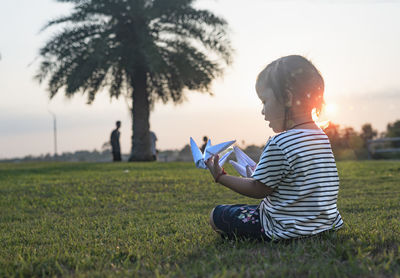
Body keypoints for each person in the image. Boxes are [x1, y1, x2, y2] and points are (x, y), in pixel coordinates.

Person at [205, 55, 343, 241]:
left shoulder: (280, 142)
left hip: (284, 227)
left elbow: (258, 189)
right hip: (324, 225)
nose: (262, 111)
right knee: (245, 209)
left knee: (217, 214)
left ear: (287, 97)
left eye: (264, 101)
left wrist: (221, 176)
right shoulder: (320, 137)